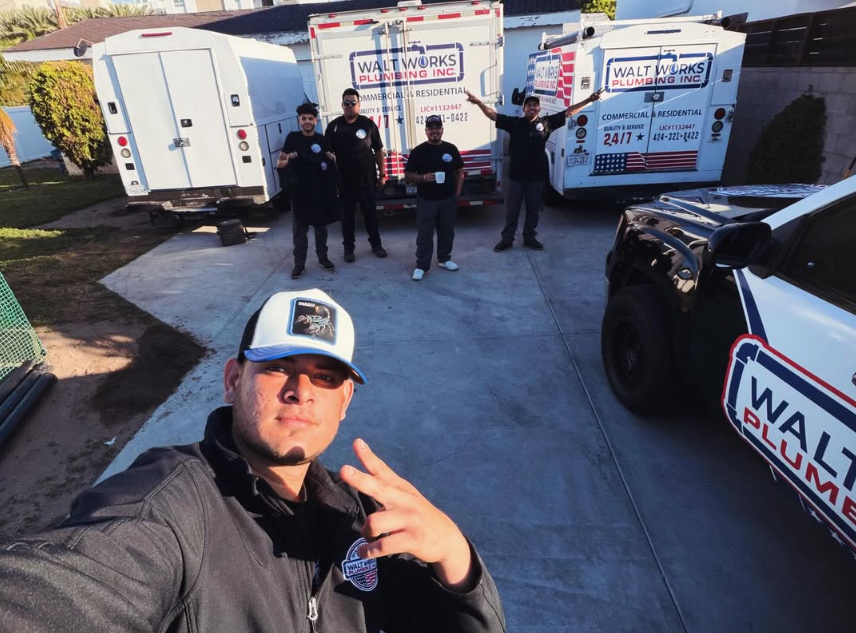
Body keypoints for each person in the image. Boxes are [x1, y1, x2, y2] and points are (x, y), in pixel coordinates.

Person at [0, 288, 506, 632]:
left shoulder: (360, 516)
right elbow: (64, 584)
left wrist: (456, 561)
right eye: (278, 367)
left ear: (344, 401)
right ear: (233, 380)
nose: (301, 391)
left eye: (325, 377)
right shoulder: (170, 509)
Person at [466, 88, 602, 251]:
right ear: (524, 109)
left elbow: (568, 112)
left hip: (536, 178)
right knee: (512, 211)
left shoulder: (546, 124)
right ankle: (507, 239)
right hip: (516, 177)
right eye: (528, 105)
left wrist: (588, 100)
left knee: (533, 211)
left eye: (534, 106)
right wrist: (480, 103)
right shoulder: (514, 123)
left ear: (539, 109)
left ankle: (529, 237)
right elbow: (493, 115)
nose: (531, 108)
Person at [278, 103, 341, 279]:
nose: (307, 121)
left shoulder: (322, 140)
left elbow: (332, 163)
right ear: (299, 120)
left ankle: (323, 258)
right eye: (303, 118)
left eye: (310, 119)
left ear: (316, 121)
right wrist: (288, 159)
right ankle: (299, 264)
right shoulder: (293, 138)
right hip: (300, 196)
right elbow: (279, 163)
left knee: (321, 230)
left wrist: (333, 158)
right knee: (300, 233)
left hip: (320, 194)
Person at [325, 89, 387, 262]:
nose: (350, 106)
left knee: (371, 216)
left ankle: (376, 245)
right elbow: (326, 152)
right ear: (342, 105)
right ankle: (348, 250)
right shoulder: (334, 127)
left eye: (353, 103)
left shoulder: (368, 124)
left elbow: (379, 150)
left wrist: (382, 174)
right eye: (347, 103)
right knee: (347, 218)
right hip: (344, 182)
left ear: (359, 105)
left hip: (366, 180)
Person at [404, 115, 464, 281]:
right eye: (431, 128)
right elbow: (408, 175)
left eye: (437, 128)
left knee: (447, 231)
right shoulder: (418, 151)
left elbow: (460, 172)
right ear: (426, 131)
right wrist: (423, 178)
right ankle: (422, 265)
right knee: (425, 234)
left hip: (447, 199)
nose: (434, 131)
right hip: (426, 200)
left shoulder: (451, 149)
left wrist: (456, 194)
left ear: (442, 130)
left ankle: (444, 259)